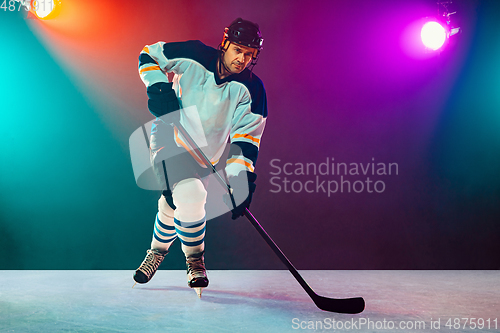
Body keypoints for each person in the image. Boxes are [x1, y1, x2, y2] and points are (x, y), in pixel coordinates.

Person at [133, 18, 268, 295]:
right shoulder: (193, 54)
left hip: (206, 153)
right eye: (237, 50)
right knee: (192, 195)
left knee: (175, 202)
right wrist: (159, 87)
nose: (241, 58)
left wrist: (239, 180)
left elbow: (246, 139)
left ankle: (157, 252)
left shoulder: (252, 90)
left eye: (248, 54)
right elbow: (148, 54)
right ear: (225, 43)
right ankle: (195, 261)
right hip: (170, 136)